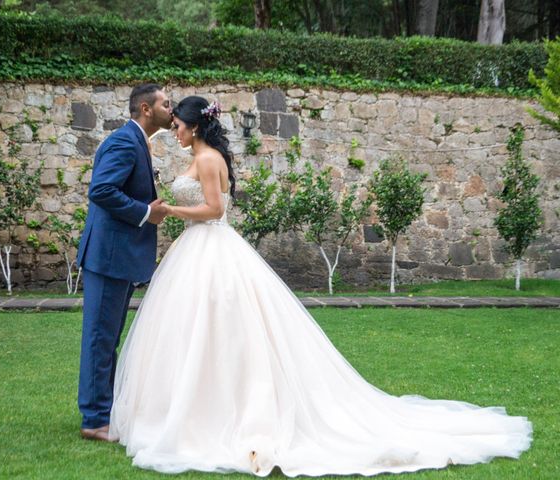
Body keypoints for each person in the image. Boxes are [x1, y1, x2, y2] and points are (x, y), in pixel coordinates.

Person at [109, 96, 532, 476]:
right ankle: (191, 405)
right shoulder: (203, 156)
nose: (174, 131)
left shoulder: (206, 160)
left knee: (221, 329)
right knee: (194, 331)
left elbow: (215, 210)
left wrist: (169, 211)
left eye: (178, 125)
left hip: (210, 247)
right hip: (196, 253)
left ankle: (214, 412)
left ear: (194, 125)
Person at [76, 83, 172, 441]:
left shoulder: (138, 142)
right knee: (100, 339)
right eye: (165, 103)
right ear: (146, 109)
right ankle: (94, 420)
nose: (170, 108)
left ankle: (104, 411)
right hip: (108, 257)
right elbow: (101, 190)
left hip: (118, 257)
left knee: (108, 337)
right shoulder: (123, 141)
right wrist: (147, 212)